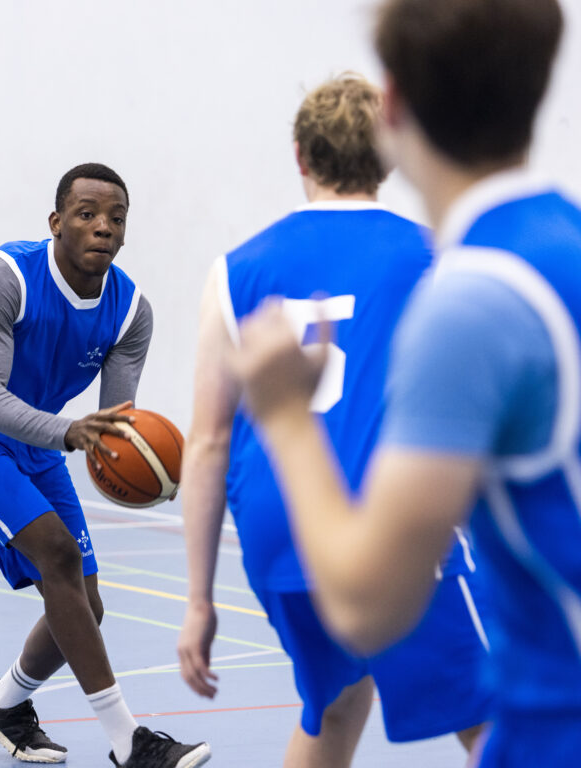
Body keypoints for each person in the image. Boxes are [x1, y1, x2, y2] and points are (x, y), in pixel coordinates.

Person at [227, 1, 578, 765]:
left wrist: (285, 416)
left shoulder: (473, 298)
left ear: (392, 109)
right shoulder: (563, 248)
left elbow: (364, 604)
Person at [176, 73, 491, 766]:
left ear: (300, 155)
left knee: (337, 704)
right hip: (390, 528)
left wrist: (198, 598)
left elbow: (206, 445)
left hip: (277, 537)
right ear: (388, 156)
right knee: (496, 720)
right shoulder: (436, 253)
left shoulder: (234, 271)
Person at [0, 163, 210, 768]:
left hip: (38, 438)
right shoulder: (7, 275)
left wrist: (161, 473)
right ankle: (129, 743)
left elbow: (115, 429)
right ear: (56, 222)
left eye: (115, 218)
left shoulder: (130, 312)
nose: (102, 227)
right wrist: (69, 433)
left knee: (84, 607)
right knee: (59, 556)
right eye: (87, 214)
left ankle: (5, 705)